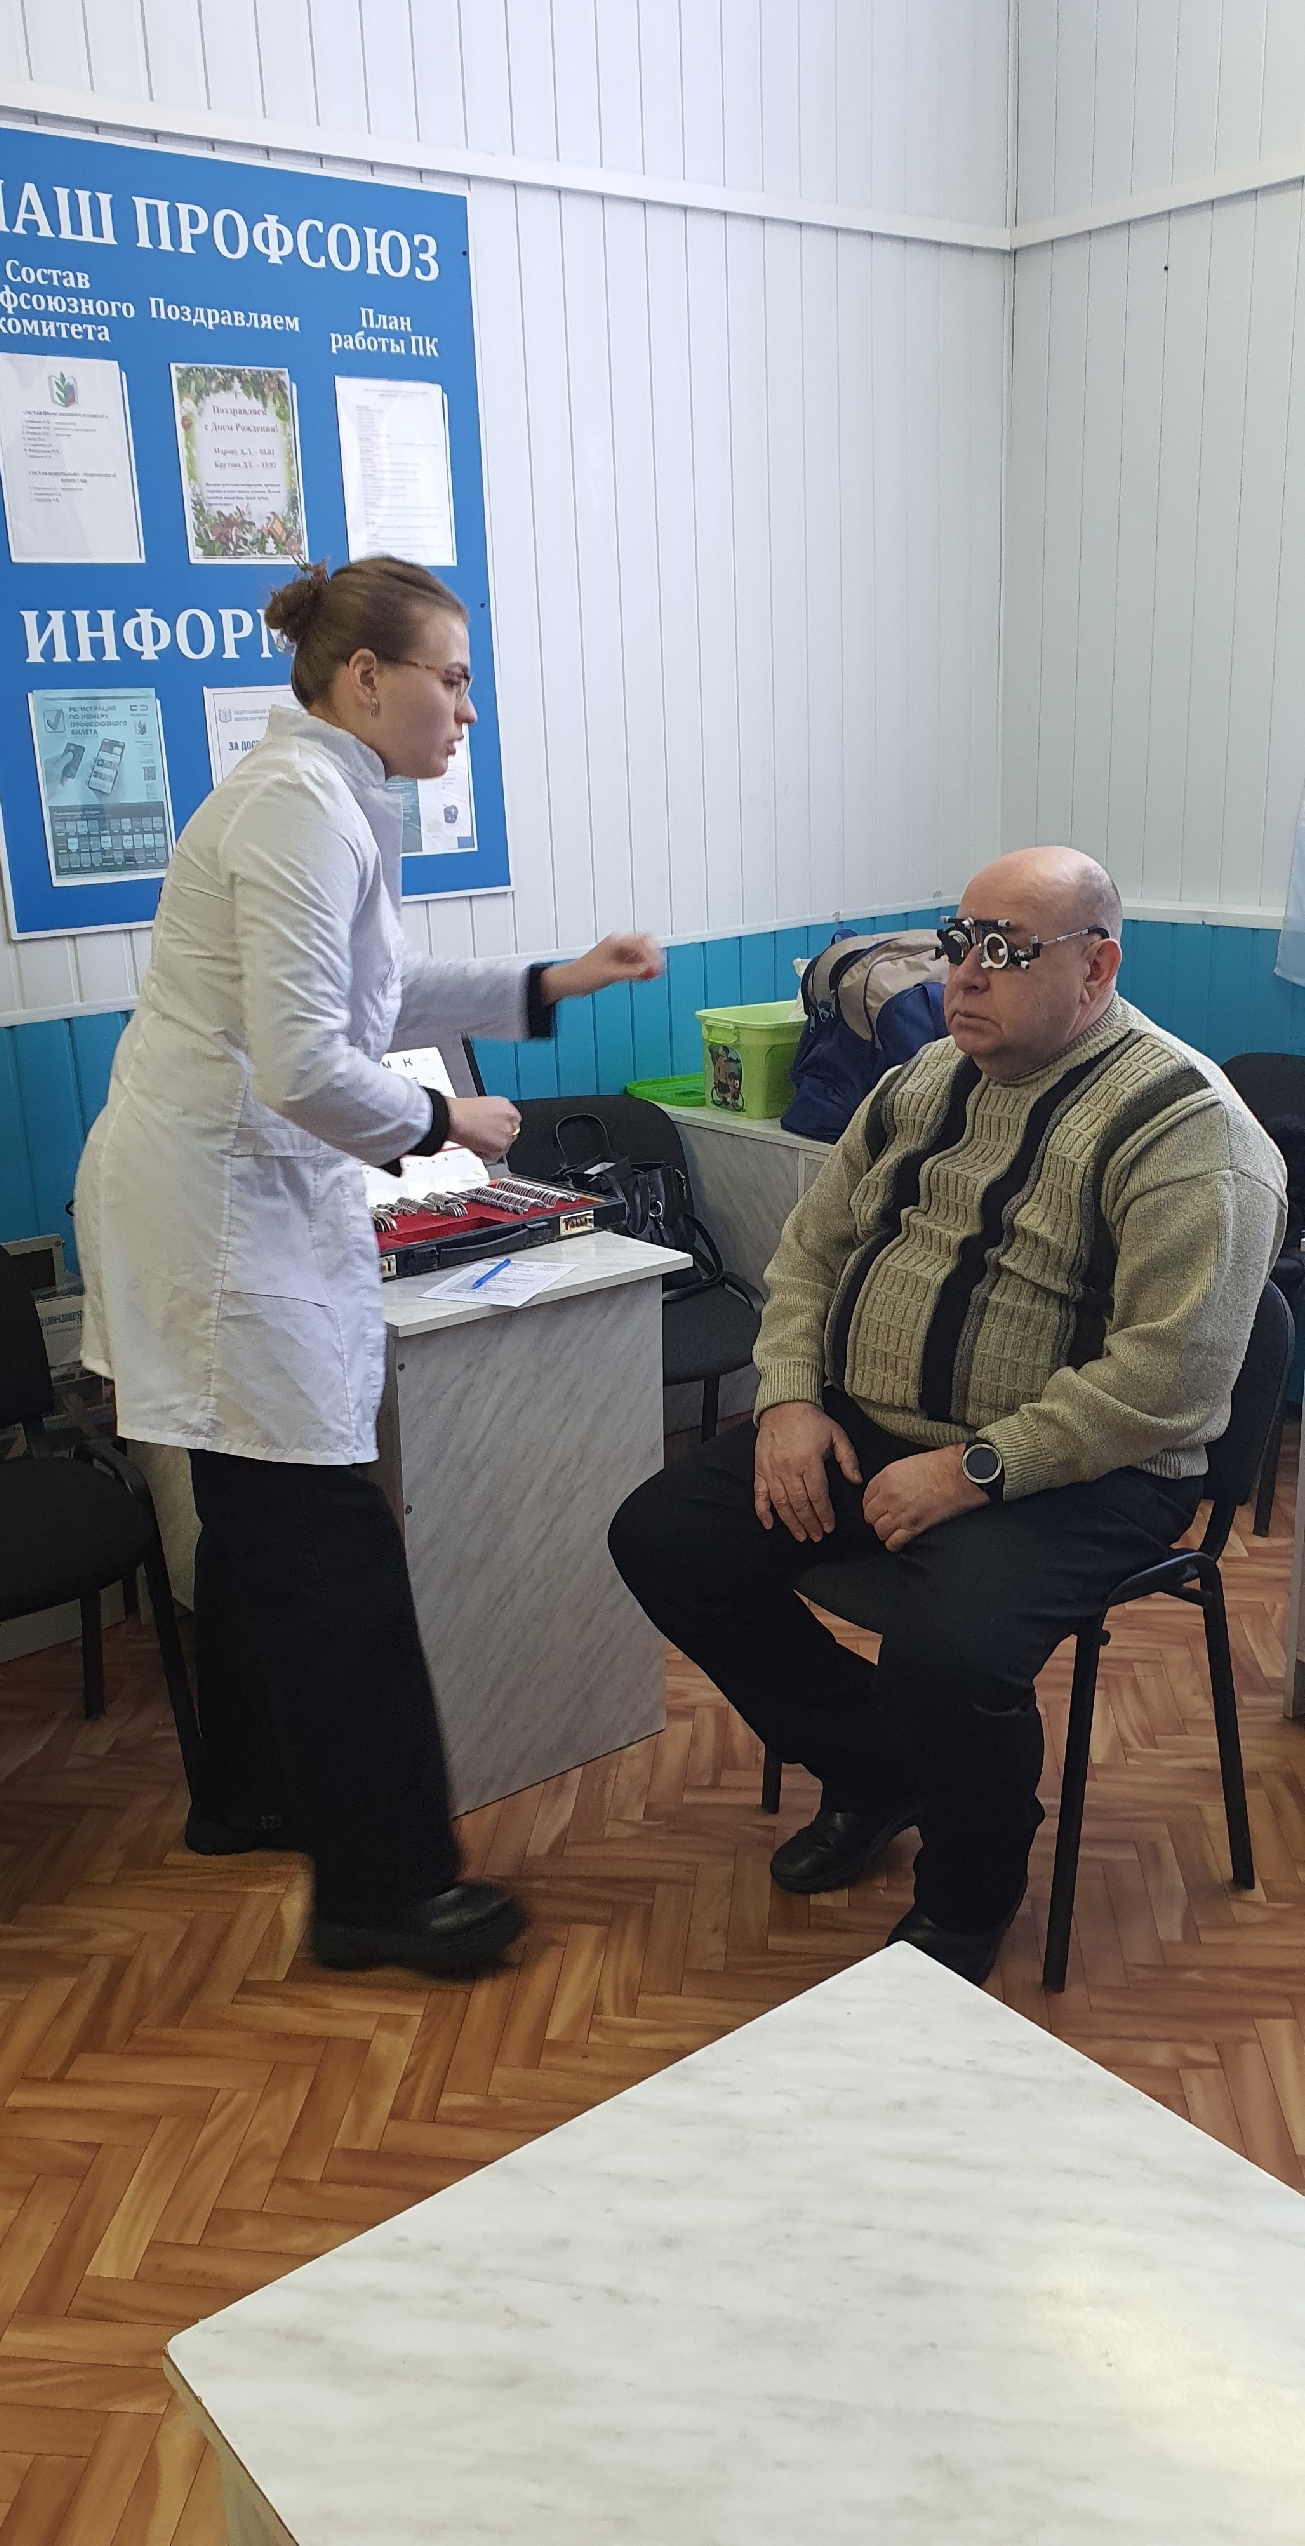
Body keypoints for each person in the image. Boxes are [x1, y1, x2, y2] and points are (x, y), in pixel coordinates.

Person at [75, 556, 661, 1978]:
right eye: (450, 678)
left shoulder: (321, 796)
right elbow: (304, 1063)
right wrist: (448, 1121)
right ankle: (385, 1888)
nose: (467, 707)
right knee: (328, 1547)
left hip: (214, 1198)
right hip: (220, 1218)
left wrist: (552, 982)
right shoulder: (300, 808)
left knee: (259, 1525)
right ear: (365, 677)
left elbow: (372, 990)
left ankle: (252, 1793)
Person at [609, 848, 1286, 1983]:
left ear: (1097, 967)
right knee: (666, 1537)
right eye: (959, 940)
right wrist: (788, 1399)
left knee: (948, 1652)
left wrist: (976, 1469)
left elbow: (1170, 1380)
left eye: (1006, 951)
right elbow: (809, 1252)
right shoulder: (924, 1078)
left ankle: (970, 1894)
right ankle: (880, 1767)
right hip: (873, 1425)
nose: (962, 975)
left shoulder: (1191, 1131)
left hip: (1094, 1467)